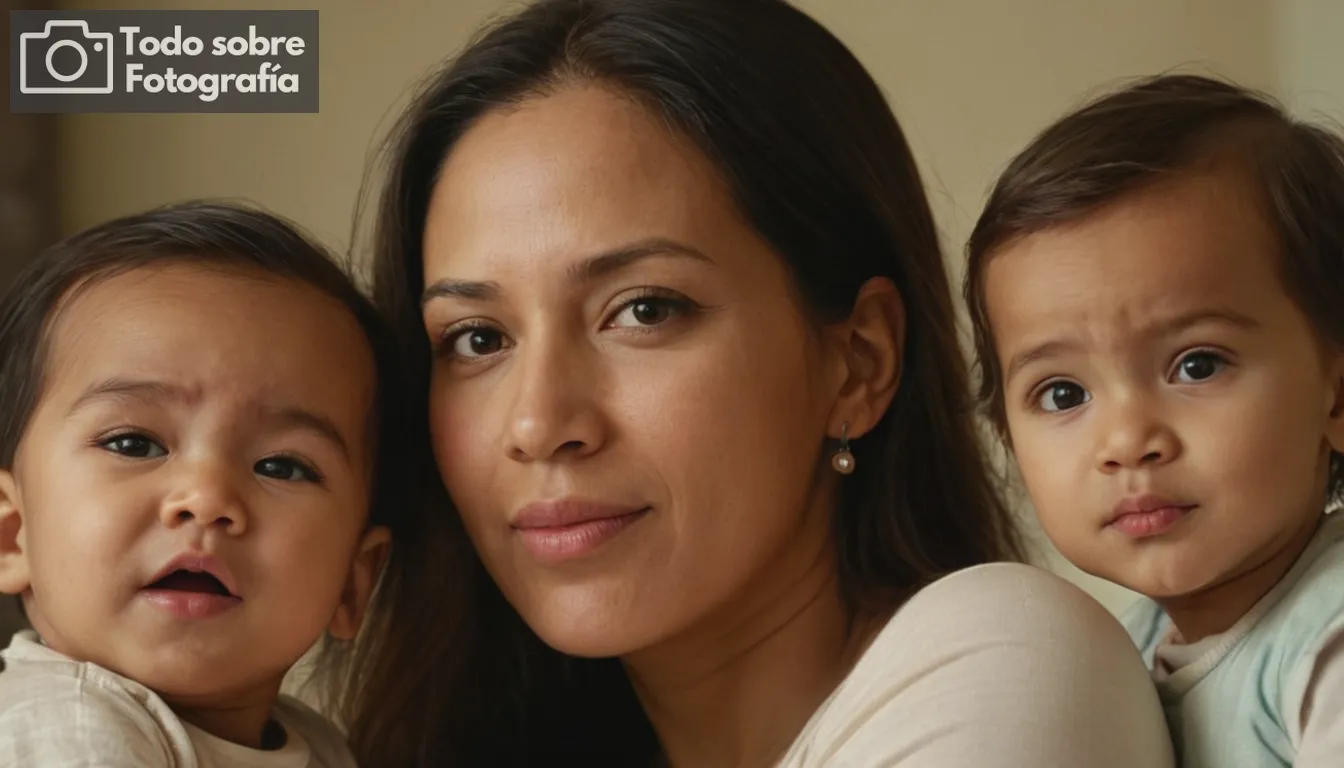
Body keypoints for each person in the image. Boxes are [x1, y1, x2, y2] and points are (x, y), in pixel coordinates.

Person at [332, 1, 1176, 765]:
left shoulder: (1010, 661)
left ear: (858, 363)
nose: (539, 422)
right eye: (477, 338)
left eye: (644, 310)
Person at [964, 74, 1344, 766]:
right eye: (1062, 394)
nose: (1127, 441)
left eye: (1197, 366)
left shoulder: (1328, 636)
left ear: (1337, 395)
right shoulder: (1119, 653)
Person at [0, 201, 403, 767]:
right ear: (12, 534)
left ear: (351, 585)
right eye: (134, 444)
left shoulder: (321, 745)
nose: (209, 498)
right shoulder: (68, 726)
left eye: (282, 466)